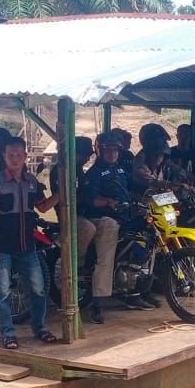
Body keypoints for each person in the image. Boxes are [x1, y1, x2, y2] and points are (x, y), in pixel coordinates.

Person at [0, 137, 59, 349]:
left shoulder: (32, 182)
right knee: (3, 293)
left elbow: (42, 207)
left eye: (19, 155)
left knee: (38, 289)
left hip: (28, 246)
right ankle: (8, 333)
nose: (15, 158)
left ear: (25, 157)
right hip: (2, 247)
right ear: (4, 157)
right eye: (10, 155)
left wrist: (63, 193)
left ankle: (40, 328)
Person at [81, 131, 154, 311]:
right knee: (106, 256)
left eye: (115, 150)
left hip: (125, 214)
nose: (112, 153)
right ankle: (97, 302)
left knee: (149, 231)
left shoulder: (120, 169)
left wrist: (162, 186)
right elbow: (91, 199)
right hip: (105, 218)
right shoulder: (94, 173)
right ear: (100, 151)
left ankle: (136, 290)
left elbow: (137, 184)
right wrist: (108, 202)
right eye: (108, 150)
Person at [49, 136, 114, 324]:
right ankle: (79, 263)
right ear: (74, 153)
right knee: (88, 228)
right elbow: (65, 199)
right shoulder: (59, 171)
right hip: (70, 215)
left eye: (88, 155)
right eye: (84, 155)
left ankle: (104, 275)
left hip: (87, 212)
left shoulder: (80, 170)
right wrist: (84, 197)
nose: (87, 159)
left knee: (109, 224)